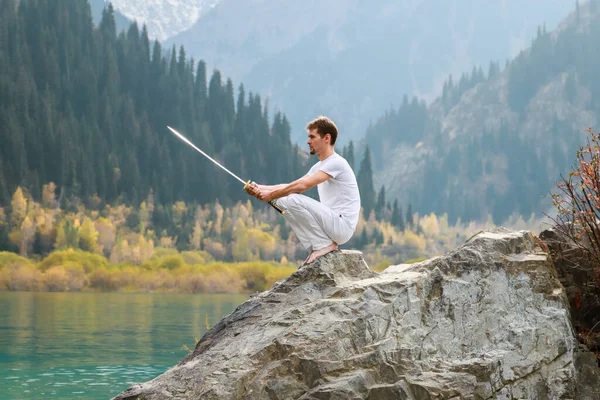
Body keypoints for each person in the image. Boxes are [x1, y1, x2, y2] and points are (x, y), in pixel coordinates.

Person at [245, 116, 361, 265]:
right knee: (282, 201)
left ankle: (324, 245)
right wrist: (259, 188)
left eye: (312, 137)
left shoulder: (336, 163)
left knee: (291, 199)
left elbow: (302, 186)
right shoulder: (319, 166)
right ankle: (319, 245)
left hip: (342, 225)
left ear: (326, 138)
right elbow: (292, 185)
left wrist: (270, 195)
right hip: (333, 223)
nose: (308, 141)